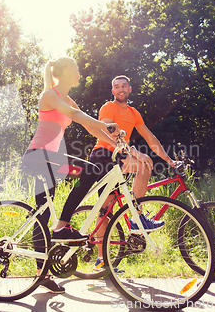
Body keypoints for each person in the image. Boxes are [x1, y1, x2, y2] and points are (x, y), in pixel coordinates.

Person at [22, 57, 119, 293]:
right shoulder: (50, 96)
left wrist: (114, 143)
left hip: (50, 159)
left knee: (42, 212)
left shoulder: (66, 98)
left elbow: (88, 125)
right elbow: (75, 116)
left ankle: (41, 272)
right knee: (91, 170)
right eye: (76, 69)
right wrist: (107, 125)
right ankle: (62, 227)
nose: (79, 73)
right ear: (67, 70)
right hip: (39, 155)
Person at [88, 75, 175, 272]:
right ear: (113, 91)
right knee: (143, 165)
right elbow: (110, 134)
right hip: (104, 154)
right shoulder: (108, 108)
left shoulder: (134, 113)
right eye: (116, 86)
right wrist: (136, 152)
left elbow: (150, 138)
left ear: (129, 89)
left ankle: (102, 261)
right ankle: (137, 218)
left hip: (119, 157)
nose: (120, 89)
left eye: (124, 86)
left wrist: (168, 160)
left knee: (107, 208)